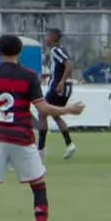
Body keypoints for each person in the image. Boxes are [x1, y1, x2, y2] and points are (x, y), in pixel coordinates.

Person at [0, 34, 84, 221]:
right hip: (21, 137)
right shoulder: (29, 76)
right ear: (19, 52)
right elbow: (43, 109)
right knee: (38, 186)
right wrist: (68, 110)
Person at [38, 28, 76, 159]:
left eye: (47, 36)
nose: (45, 39)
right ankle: (69, 144)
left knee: (42, 113)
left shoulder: (56, 50)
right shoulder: (59, 50)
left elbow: (69, 66)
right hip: (63, 87)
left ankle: (41, 149)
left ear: (53, 37)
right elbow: (61, 68)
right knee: (54, 115)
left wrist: (61, 82)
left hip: (59, 88)